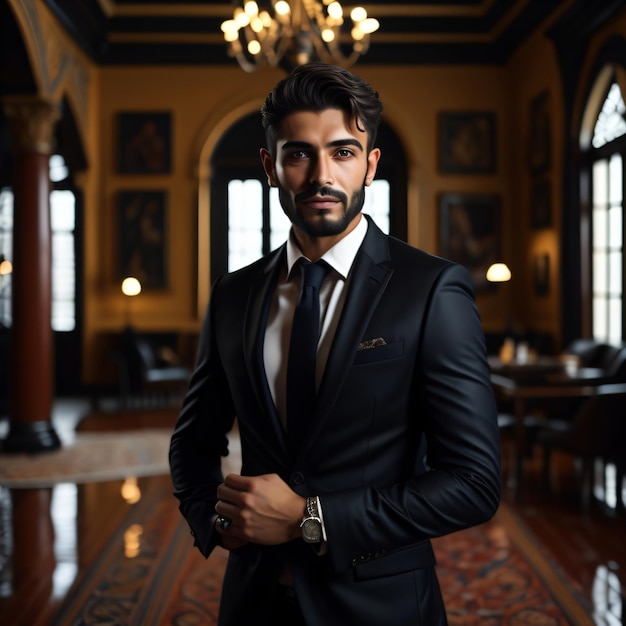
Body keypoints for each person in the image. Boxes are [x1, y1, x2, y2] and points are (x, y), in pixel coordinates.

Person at [169, 62, 501, 626]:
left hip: (382, 604)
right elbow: (192, 442)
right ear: (271, 167)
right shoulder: (233, 294)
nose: (321, 174)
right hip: (253, 603)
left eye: (343, 153)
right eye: (299, 154)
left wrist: (309, 517)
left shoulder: (431, 290)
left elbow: (473, 482)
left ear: (370, 166)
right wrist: (216, 520)